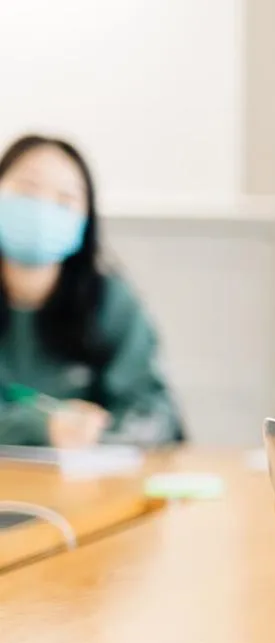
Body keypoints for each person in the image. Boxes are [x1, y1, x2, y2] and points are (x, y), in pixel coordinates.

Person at [0, 135, 182, 447]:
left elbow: (155, 416)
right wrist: (39, 427)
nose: (43, 208)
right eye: (28, 188)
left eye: (65, 199)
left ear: (86, 220)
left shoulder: (110, 301)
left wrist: (93, 431)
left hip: (87, 487)